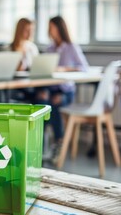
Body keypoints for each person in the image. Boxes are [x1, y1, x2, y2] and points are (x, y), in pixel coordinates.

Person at [36, 15, 89, 163]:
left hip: (66, 91)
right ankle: (40, 145)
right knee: (42, 102)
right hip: (51, 88)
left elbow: (84, 68)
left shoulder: (71, 47)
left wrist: (65, 68)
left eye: (52, 27)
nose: (50, 31)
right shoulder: (50, 48)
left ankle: (58, 142)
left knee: (54, 103)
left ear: (59, 28)